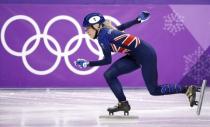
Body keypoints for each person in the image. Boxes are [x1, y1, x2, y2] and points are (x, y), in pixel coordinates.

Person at [75, 11, 198, 115]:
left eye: (88, 28)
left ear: (97, 26)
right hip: (135, 55)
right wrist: (137, 20)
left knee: (154, 90)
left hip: (146, 55)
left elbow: (107, 60)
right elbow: (122, 27)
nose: (86, 32)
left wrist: (87, 64)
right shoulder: (107, 31)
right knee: (109, 75)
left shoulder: (103, 37)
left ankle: (187, 89)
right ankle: (123, 104)